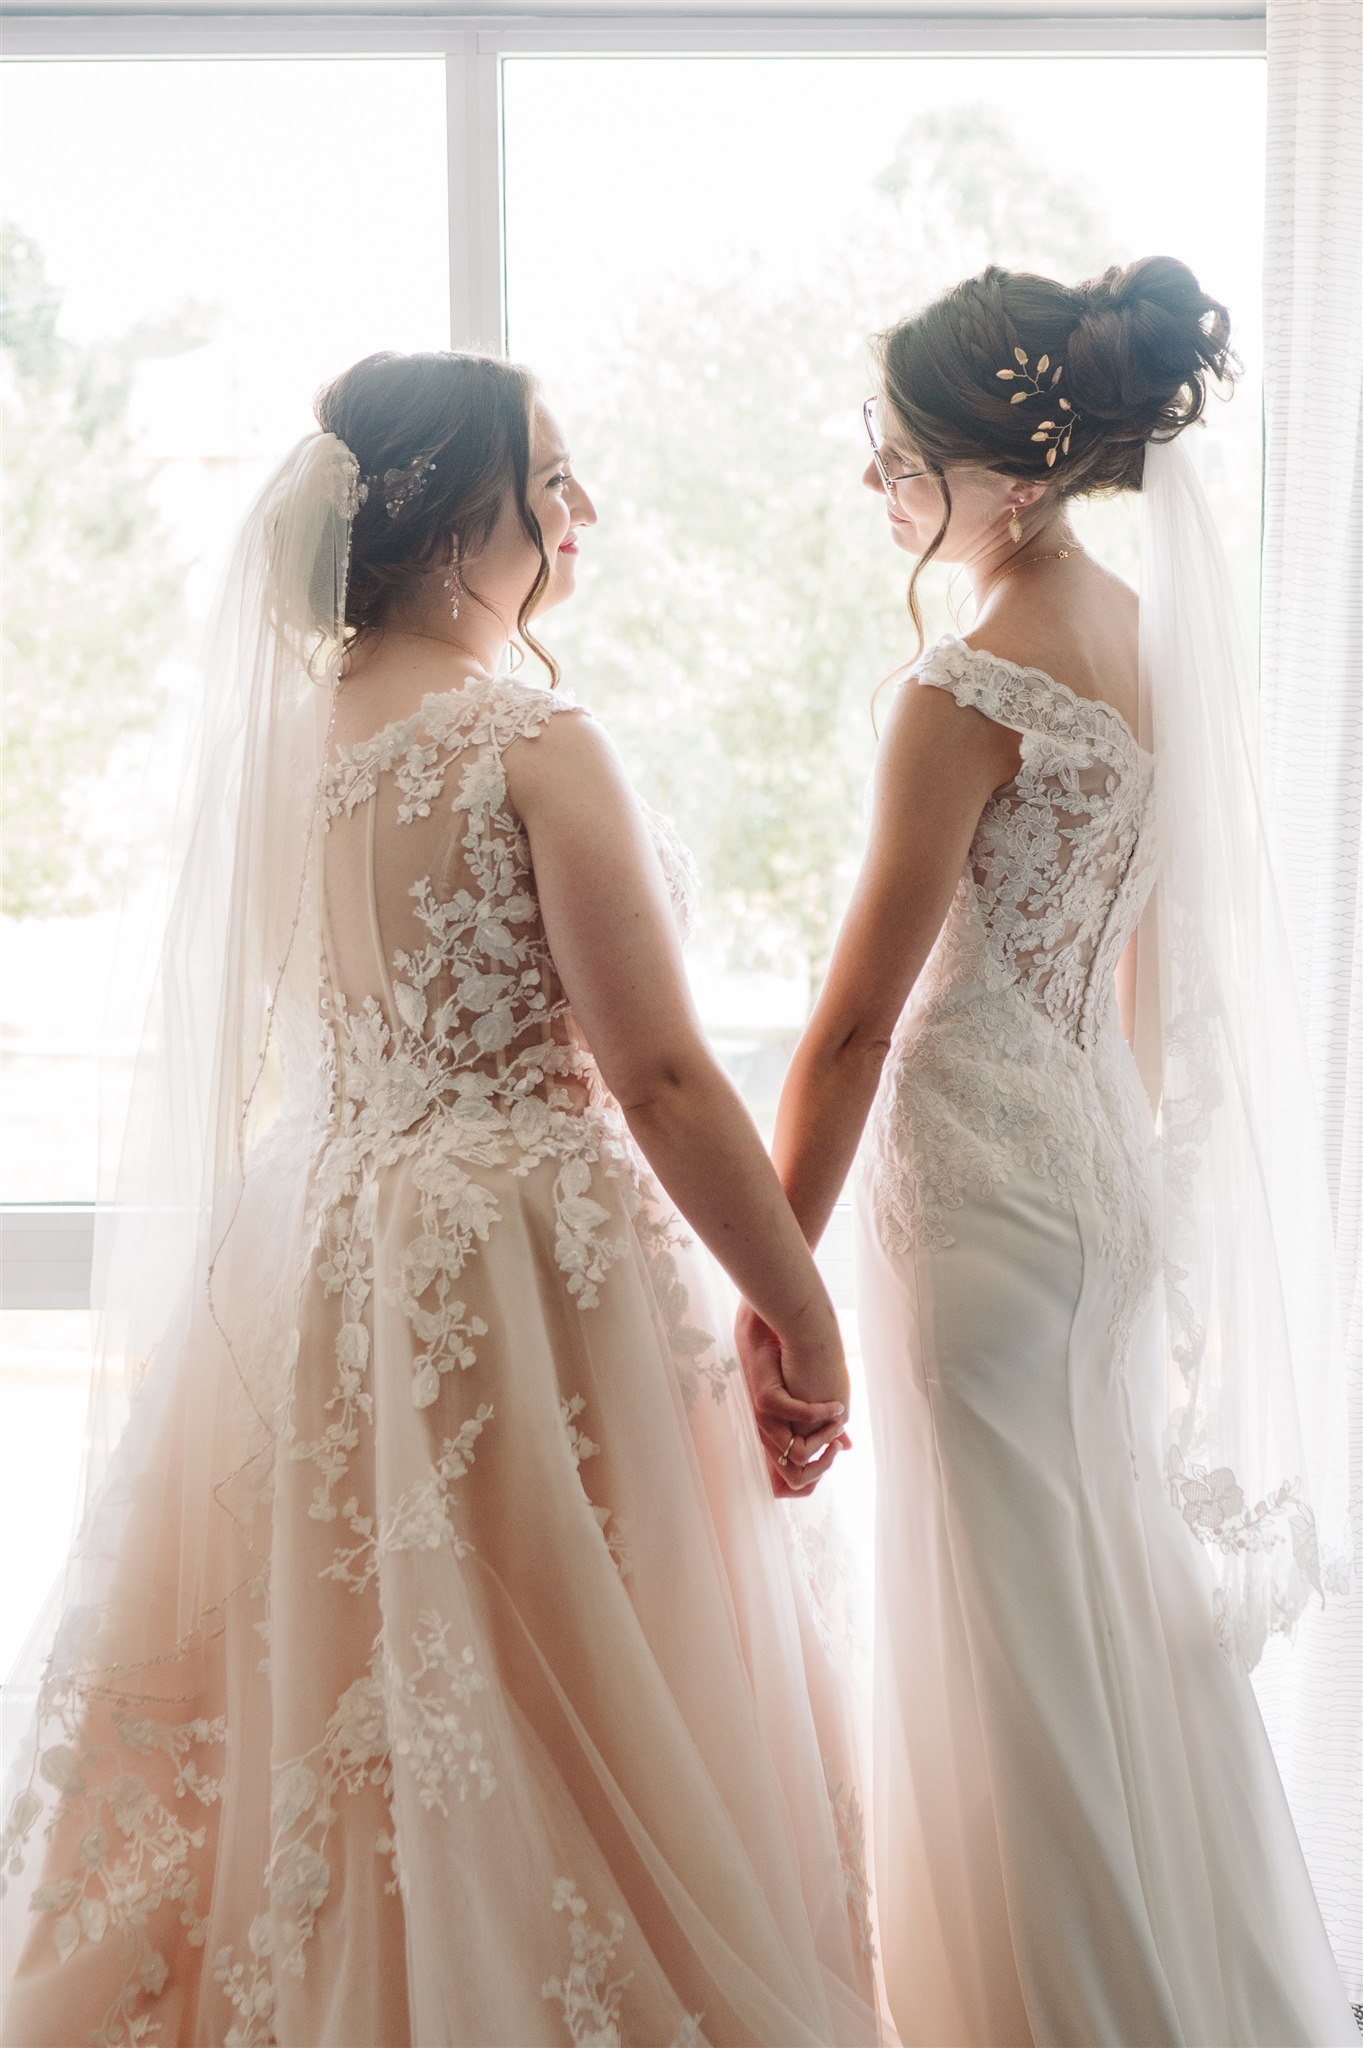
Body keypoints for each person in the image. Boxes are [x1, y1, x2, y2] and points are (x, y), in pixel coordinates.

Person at [1, 351, 885, 2046]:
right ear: (447, 516)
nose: (582, 513)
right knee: (567, 1691)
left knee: (332, 1682)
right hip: (516, 1261)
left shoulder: (277, 749)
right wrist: (807, 1306)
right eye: (550, 480)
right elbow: (663, 1080)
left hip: (318, 1247)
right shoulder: (532, 739)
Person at [739, 260, 1357, 2045]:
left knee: (1017, 1673)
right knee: (1110, 1627)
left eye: (895, 450)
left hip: (979, 1204)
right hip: (1094, 1176)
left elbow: (855, 1024)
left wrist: (780, 1282)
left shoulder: (967, 683)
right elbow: (1159, 986)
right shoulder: (1156, 646)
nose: (877, 482)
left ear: (999, 474)